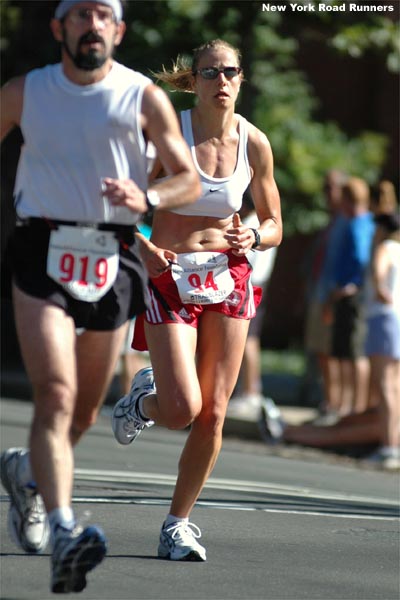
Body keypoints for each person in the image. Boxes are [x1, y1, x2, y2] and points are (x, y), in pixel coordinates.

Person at [0, 0, 201, 594]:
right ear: (60, 27)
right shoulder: (24, 92)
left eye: (103, 14)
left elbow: (185, 176)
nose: (92, 24)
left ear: (118, 29)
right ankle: (65, 529)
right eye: (80, 13)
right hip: (43, 249)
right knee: (56, 393)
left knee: (85, 410)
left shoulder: (143, 96)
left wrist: (150, 200)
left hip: (113, 256)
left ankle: (26, 475)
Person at [111, 39, 282, 561]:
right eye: (210, 73)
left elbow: (275, 224)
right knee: (183, 407)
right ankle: (142, 401)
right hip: (170, 273)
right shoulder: (168, 134)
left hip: (228, 277)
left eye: (230, 71)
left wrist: (254, 238)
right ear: (195, 79)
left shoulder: (255, 142)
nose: (222, 81)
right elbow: (119, 205)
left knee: (214, 413)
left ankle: (177, 524)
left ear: (241, 77)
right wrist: (143, 249)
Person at [303, 170, 348, 423]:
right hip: (319, 293)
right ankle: (329, 402)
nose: (326, 193)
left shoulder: (345, 221)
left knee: (330, 352)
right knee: (320, 350)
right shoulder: (332, 221)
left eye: (331, 187)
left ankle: (335, 404)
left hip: (330, 296)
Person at [227, 190, 277, 417]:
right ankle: (248, 390)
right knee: (249, 340)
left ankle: (251, 391)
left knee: (248, 340)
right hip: (258, 283)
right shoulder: (264, 224)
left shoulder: (251, 225)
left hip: (250, 284)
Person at [329, 177, 375, 416]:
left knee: (353, 353)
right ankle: (349, 406)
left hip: (351, 295)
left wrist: (351, 285)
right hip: (349, 293)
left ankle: (354, 407)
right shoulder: (365, 222)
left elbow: (361, 259)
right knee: (345, 353)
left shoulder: (358, 225)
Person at [364, 210, 400, 469]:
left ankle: (389, 446)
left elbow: (378, 274)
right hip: (397, 319)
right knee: (395, 387)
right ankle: (392, 444)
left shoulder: (384, 249)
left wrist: (380, 289)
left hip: (382, 318)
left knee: (385, 385)